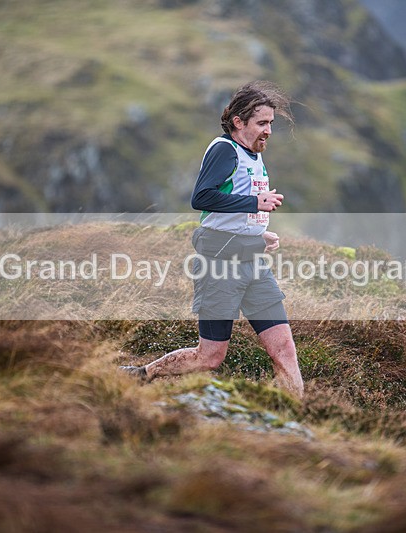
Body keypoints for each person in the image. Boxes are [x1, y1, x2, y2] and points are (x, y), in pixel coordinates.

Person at [120, 80, 304, 399]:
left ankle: (296, 420)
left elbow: (238, 205)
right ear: (238, 122)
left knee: (286, 349)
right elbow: (202, 198)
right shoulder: (224, 150)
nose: (268, 131)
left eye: (271, 123)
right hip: (220, 264)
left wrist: (261, 232)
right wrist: (254, 204)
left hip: (253, 263)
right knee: (210, 357)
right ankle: (144, 373)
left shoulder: (254, 154)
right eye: (262, 123)